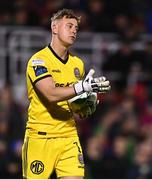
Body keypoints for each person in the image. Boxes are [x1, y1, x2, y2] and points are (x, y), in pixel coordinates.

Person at [22, 8, 110, 179]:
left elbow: (71, 101)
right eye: (69, 26)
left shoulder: (77, 65)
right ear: (54, 28)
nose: (73, 31)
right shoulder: (38, 61)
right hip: (40, 138)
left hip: (69, 136)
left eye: (76, 28)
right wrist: (82, 88)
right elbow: (51, 94)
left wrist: (84, 107)